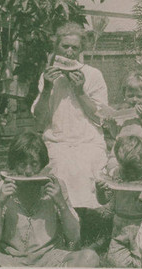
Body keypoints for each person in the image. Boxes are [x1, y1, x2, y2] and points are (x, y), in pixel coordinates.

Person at [0, 131, 100, 267]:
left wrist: (61, 203)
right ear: (14, 164)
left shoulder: (57, 186)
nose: (28, 171)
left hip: (50, 258)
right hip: (9, 260)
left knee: (89, 257)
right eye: (22, 164)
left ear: (42, 163)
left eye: (34, 164)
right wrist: (0, 204)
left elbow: (74, 238)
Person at [32, 22, 109, 226]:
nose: (69, 52)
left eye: (74, 47)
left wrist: (80, 91)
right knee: (60, 166)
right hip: (57, 140)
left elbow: (100, 117)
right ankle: (59, 224)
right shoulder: (48, 76)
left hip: (88, 140)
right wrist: (47, 88)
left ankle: (87, 224)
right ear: (56, 47)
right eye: (65, 46)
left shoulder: (93, 75)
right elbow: (40, 120)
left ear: (81, 49)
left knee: (85, 165)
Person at [95, 135, 142, 267]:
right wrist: (100, 191)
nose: (131, 175)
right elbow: (103, 201)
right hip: (120, 228)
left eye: (136, 170)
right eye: (126, 170)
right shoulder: (115, 173)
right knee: (114, 261)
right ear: (119, 162)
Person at [104, 71, 142, 160]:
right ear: (124, 95)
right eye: (130, 96)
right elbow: (116, 135)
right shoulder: (122, 113)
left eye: (139, 96)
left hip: (139, 150)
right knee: (112, 163)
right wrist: (112, 124)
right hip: (121, 149)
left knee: (135, 163)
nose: (134, 99)